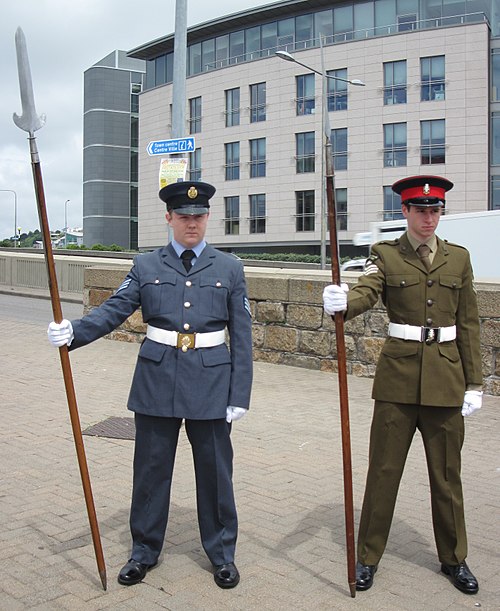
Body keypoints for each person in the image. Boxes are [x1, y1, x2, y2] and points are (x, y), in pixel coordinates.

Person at [47, 181, 253, 589]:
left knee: (215, 474)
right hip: (157, 380)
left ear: (207, 218)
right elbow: (116, 309)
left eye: (198, 216)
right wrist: (74, 331)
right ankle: (144, 551)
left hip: (212, 383)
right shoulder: (147, 266)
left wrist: (239, 395)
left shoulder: (229, 267)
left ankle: (221, 554)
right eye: (183, 216)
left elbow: (243, 336)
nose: (191, 223)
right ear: (169, 218)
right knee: (151, 472)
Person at [323, 175, 482, 595]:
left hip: (447, 380)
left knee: (447, 476)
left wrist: (475, 383)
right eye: (420, 210)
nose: (428, 218)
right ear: (405, 212)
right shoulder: (386, 255)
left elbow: (468, 324)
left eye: (435, 210)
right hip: (397, 381)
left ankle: (454, 558)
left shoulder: (459, 259)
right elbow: (368, 291)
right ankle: (368, 557)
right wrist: (343, 302)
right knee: (384, 472)